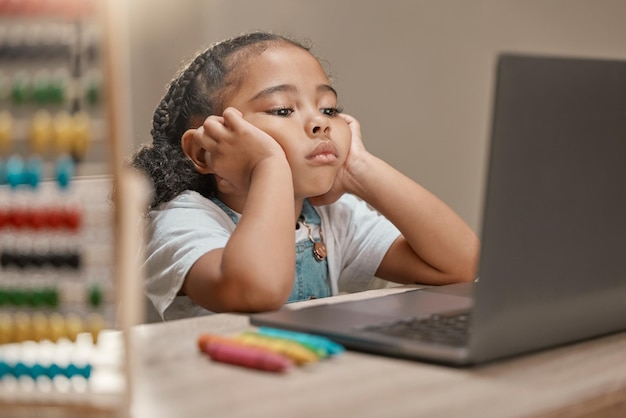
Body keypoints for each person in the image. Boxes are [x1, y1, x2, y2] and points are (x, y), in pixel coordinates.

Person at [131, 31, 480, 321]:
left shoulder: (331, 218)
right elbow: (256, 290)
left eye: (329, 109)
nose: (320, 123)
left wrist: (359, 167)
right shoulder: (182, 221)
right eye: (282, 109)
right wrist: (269, 163)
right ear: (205, 151)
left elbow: (460, 265)